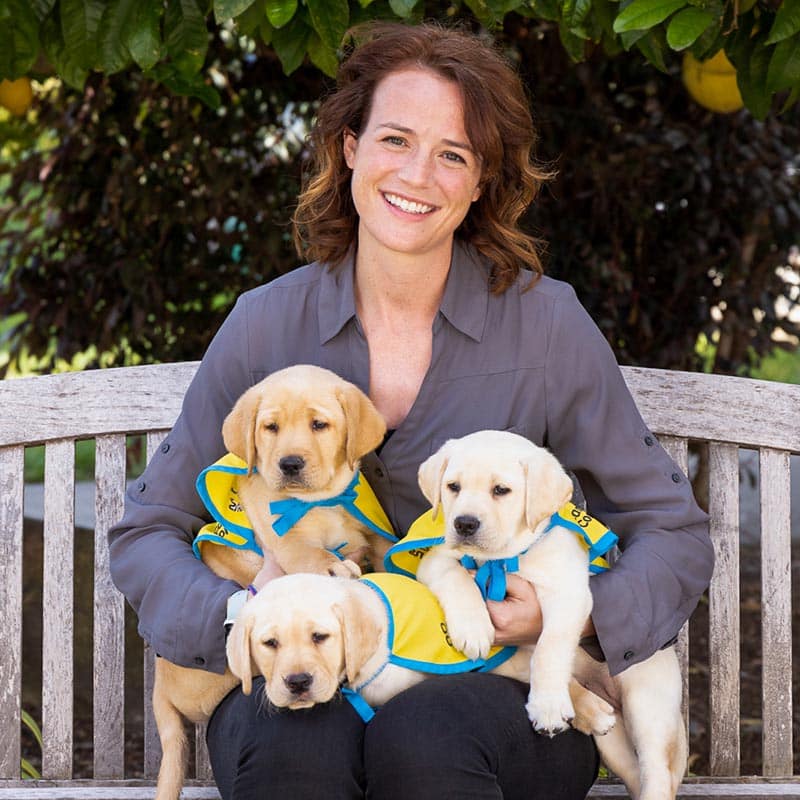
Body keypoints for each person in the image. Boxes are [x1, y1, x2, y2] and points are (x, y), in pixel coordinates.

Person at [109, 21, 713, 800]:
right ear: (350, 147)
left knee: (423, 737)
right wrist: (248, 609)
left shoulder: (547, 326)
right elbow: (148, 528)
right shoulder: (265, 326)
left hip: (497, 684)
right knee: (293, 742)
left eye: (453, 154)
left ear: (481, 181)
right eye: (395, 138)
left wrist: (571, 614)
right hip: (304, 667)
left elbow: (670, 526)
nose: (418, 174)